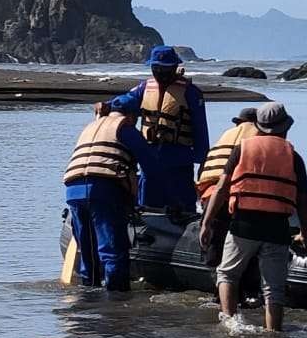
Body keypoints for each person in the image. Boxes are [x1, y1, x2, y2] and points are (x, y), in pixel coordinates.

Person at [200, 102, 307, 332]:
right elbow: (302, 201)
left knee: (227, 274)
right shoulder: (294, 156)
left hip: (244, 224)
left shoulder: (242, 149)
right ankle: (274, 335)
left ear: (258, 127)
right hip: (278, 227)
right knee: (273, 287)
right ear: (285, 128)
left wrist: (207, 221)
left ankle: (231, 325)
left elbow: (221, 188)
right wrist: (304, 233)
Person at [96, 45, 210, 212]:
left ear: (174, 68)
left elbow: (201, 129)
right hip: (150, 155)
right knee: (148, 202)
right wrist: (107, 105)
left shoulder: (191, 93)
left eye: (165, 69)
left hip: (179, 157)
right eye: (156, 68)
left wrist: (202, 160)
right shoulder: (145, 88)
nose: (161, 73)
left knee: (182, 203)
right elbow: (125, 100)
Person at [63, 96, 159, 291]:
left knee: (88, 250)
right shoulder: (125, 128)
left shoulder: (90, 127)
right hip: (103, 190)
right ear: (131, 115)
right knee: (112, 250)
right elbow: (152, 167)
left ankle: (88, 296)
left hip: (73, 191)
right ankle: (116, 303)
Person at [195, 107, 259, 267]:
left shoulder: (225, 136)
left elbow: (203, 172)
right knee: (244, 250)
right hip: (239, 197)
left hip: (211, 196)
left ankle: (215, 282)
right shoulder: (258, 136)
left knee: (215, 246)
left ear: (239, 122)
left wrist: (206, 220)